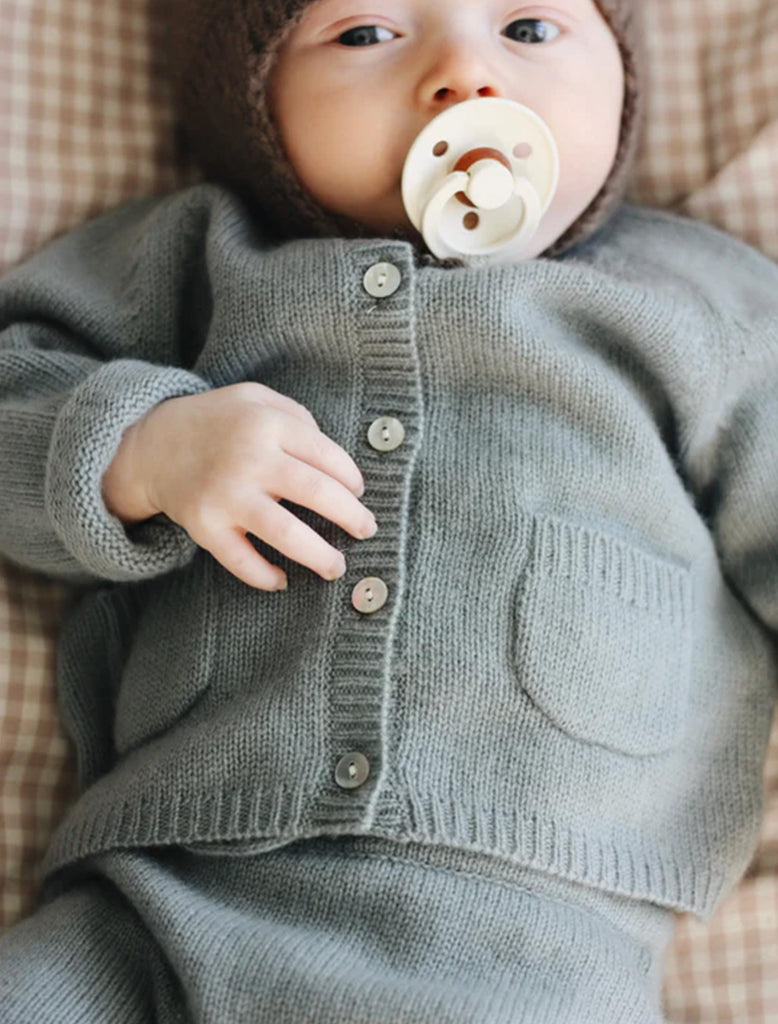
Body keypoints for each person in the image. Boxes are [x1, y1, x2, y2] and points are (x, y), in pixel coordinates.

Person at [0, 0, 776, 1020]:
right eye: (366, 33)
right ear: (251, 103)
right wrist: (139, 449)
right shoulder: (192, 261)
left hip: (527, 938)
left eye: (530, 29)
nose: (465, 77)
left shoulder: (697, 302)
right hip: (165, 894)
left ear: (625, 80)